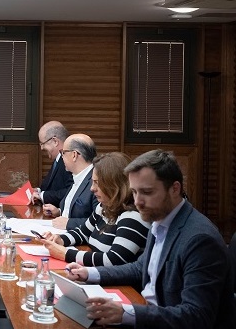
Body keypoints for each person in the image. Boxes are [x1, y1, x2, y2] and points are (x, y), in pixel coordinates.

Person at [65, 150, 235, 328]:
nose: (138, 202)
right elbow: (139, 268)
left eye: (146, 192)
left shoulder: (200, 240)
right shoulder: (161, 219)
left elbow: (196, 316)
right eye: (134, 192)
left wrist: (127, 314)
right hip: (147, 313)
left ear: (175, 189)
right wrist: (89, 273)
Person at [41, 152, 150, 266]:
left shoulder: (133, 216)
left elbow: (114, 260)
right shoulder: (103, 207)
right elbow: (83, 233)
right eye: (93, 182)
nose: (92, 189)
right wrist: (60, 239)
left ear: (114, 185)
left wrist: (66, 254)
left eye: (97, 183)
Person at [42, 133, 98, 230]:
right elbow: (75, 211)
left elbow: (100, 221)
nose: (62, 157)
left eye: (63, 153)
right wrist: (59, 212)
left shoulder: (96, 181)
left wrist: (69, 223)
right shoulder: (76, 176)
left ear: (74, 155)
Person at [36, 120, 73, 195]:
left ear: (55, 141)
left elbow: (70, 192)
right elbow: (49, 186)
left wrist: (42, 196)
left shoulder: (69, 160)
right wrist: (38, 191)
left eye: (43, 143)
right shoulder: (57, 159)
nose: (42, 148)